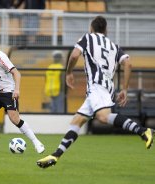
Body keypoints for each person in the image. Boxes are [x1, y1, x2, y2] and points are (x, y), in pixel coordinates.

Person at [37, 16, 154, 168]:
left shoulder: (87, 38)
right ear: (106, 30)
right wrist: (124, 88)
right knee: (77, 121)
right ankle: (55, 155)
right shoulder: (114, 46)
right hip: (103, 88)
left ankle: (143, 131)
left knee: (103, 117)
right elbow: (128, 63)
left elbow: (73, 55)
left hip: (97, 86)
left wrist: (69, 73)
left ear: (91, 28)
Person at [0, 32, 45, 154]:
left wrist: (16, 90)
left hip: (8, 92)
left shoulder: (0, 56)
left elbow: (16, 73)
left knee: (14, 119)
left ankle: (37, 142)